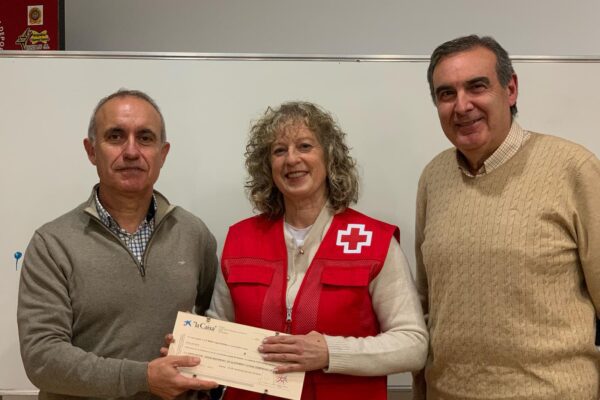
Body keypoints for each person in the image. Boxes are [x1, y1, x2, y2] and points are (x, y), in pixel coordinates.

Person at [414, 35, 600, 399]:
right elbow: (425, 304)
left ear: (510, 89)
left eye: (477, 87)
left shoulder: (574, 168)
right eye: (446, 93)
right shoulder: (433, 177)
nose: (462, 106)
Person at [207, 101, 428, 399]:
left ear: (329, 157)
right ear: (268, 166)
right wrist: (192, 347)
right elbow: (219, 329)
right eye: (279, 150)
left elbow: (413, 345)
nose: (292, 159)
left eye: (305, 146)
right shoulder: (240, 240)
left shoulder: (374, 241)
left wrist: (330, 352)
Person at [17, 89, 219, 400]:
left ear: (163, 154)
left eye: (145, 138)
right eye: (115, 136)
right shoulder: (52, 244)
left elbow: (215, 322)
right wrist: (143, 378)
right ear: (91, 150)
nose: (131, 151)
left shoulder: (193, 234)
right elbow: (42, 359)